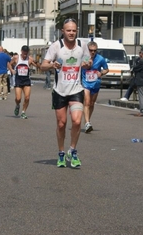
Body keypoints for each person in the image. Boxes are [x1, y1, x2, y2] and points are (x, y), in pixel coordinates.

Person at [40, 19, 92, 168]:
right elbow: (43, 65)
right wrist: (51, 64)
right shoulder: (56, 46)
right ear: (63, 31)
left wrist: (88, 63)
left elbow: (88, 61)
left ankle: (73, 150)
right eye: (68, 30)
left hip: (76, 89)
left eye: (74, 30)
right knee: (61, 124)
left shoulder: (82, 45)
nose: (71, 33)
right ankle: (61, 153)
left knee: (76, 121)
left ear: (77, 31)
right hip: (60, 91)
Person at [82, 41, 109, 133]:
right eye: (91, 50)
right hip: (85, 83)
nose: (93, 52)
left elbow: (106, 69)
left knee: (92, 103)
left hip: (96, 83)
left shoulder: (100, 59)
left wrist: (101, 73)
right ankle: (87, 123)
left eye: (95, 50)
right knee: (87, 102)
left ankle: (87, 121)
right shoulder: (84, 58)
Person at [9, 45, 38, 119]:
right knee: (18, 98)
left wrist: (36, 62)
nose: (25, 53)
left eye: (26, 52)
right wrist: (12, 70)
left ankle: (23, 112)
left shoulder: (30, 59)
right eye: (24, 52)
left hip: (26, 80)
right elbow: (9, 64)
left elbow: (38, 66)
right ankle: (17, 105)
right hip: (18, 80)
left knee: (27, 97)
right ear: (21, 51)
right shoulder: (16, 58)